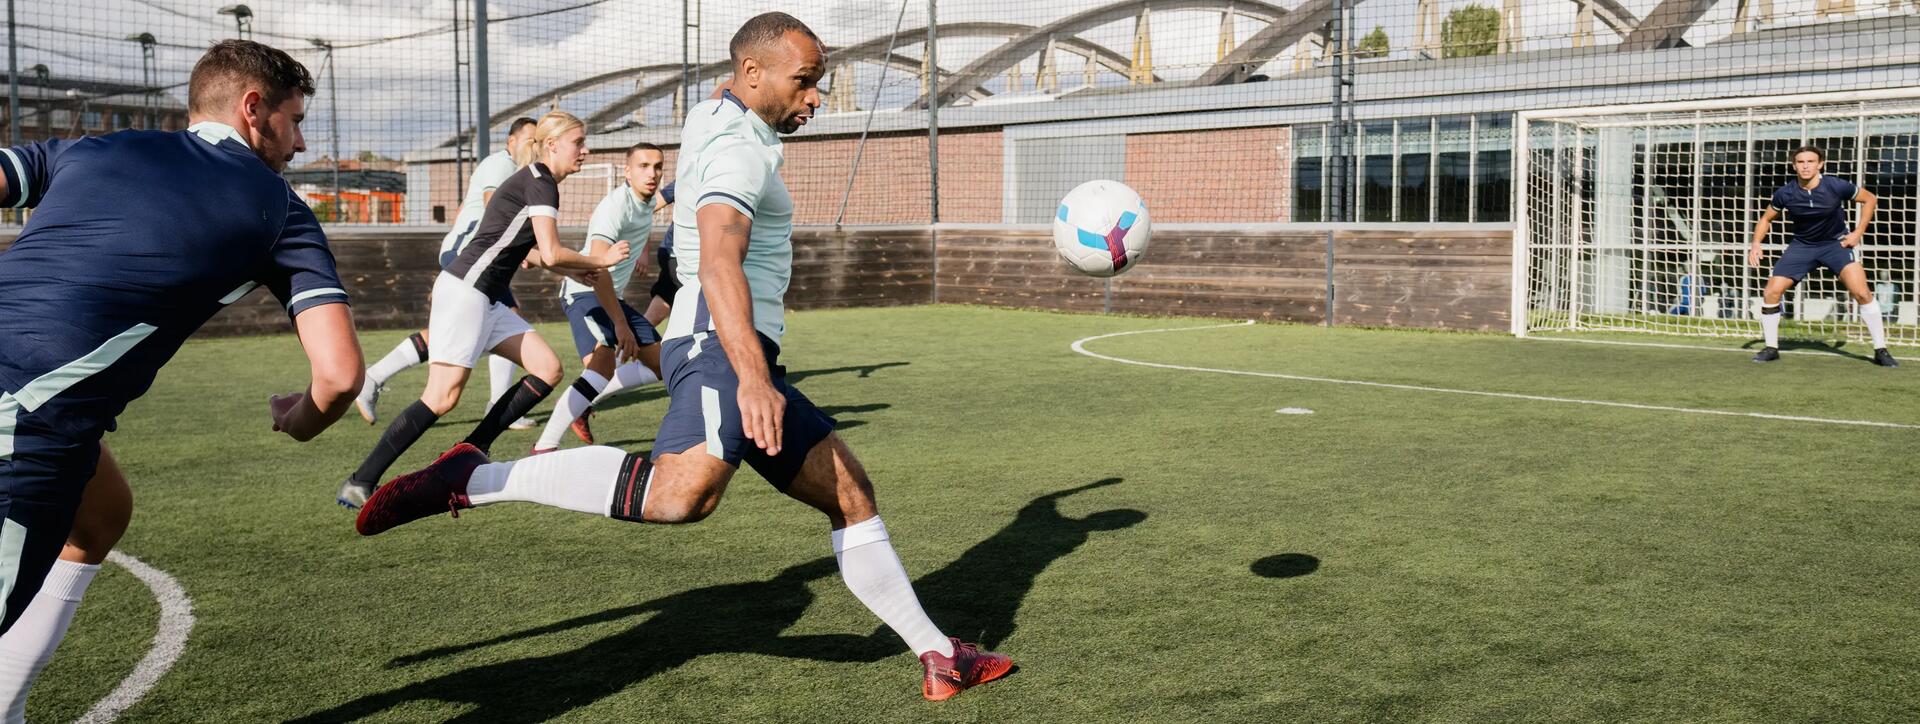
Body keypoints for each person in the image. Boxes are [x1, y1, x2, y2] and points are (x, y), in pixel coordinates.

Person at [353, 13, 1011, 702]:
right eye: (806, 82)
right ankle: (468, 478)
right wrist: (752, 376)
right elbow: (721, 258)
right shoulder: (740, 151)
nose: (816, 98)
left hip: (735, 345)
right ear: (753, 74)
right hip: (724, 346)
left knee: (849, 494)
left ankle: (940, 656)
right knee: (681, 496)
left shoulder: (713, 117)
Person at [0, 40, 364, 718]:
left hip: (37, 413)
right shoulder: (277, 208)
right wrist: (300, 418)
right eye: (296, 120)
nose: (303, 142)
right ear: (255, 110)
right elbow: (340, 377)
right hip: (23, 423)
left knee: (102, 513)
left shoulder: (90, 150)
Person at [336, 111, 628, 508]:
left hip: (486, 296)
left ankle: (470, 451)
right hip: (466, 292)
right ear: (554, 144)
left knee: (547, 369)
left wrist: (576, 271)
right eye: (579, 142)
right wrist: (600, 261)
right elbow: (551, 250)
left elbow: (532, 253)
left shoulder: (537, 181)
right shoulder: (541, 182)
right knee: (442, 397)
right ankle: (361, 480)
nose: (585, 150)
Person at [355, 117, 542, 431]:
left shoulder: (515, 171)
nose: (534, 147)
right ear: (511, 141)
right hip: (469, 255)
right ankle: (499, 407)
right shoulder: (502, 165)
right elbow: (492, 206)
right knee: (506, 317)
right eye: (530, 140)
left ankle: (374, 377)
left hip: (475, 254)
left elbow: (470, 211)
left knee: (459, 332)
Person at [531, 143, 668, 454]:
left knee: (662, 363)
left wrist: (642, 251)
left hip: (609, 295)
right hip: (585, 291)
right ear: (627, 171)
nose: (652, 173)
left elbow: (647, 216)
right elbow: (598, 267)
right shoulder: (614, 207)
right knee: (600, 367)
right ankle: (545, 446)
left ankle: (584, 400)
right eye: (644, 166)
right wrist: (620, 324)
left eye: (658, 166)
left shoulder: (646, 202)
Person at [1747, 145, 1897, 367]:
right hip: (1802, 246)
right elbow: (1766, 219)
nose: (1805, 166)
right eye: (1801, 162)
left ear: (1820, 164)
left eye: (1810, 161)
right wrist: (1756, 244)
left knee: (1862, 292)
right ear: (1794, 166)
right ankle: (1771, 348)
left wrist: (1858, 232)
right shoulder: (1785, 193)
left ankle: (1881, 350)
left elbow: (1870, 199)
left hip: (1836, 244)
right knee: (1771, 291)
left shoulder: (1836, 185)